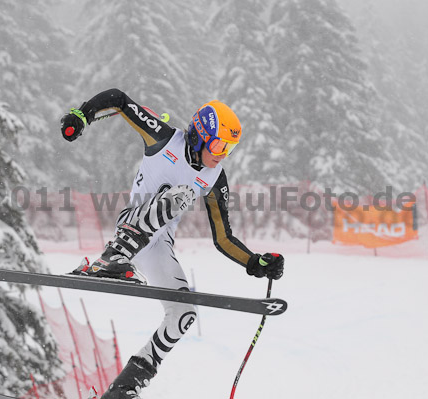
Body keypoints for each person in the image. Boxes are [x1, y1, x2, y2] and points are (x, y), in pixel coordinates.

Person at [60, 88, 284, 399]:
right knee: (182, 195)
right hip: (132, 224)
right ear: (201, 135)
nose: (222, 154)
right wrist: (83, 115)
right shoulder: (165, 138)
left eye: (230, 148)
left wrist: (254, 262)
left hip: (159, 244)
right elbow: (119, 100)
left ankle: (123, 389)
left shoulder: (214, 176)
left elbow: (223, 236)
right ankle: (111, 258)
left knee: (183, 315)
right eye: (219, 144)